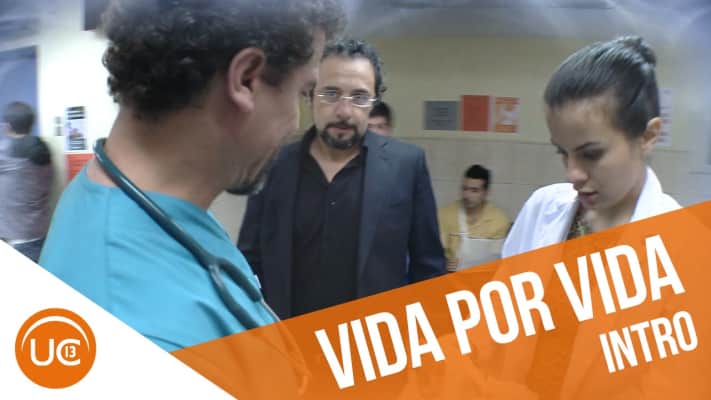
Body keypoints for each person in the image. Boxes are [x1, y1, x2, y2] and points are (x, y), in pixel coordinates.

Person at [39, 0, 344, 351]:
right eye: (303, 92)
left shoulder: (123, 196)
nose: (295, 123)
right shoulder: (150, 335)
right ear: (246, 79)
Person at [497, 36, 682, 399]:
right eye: (562, 153)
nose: (573, 174)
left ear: (647, 136)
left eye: (591, 154)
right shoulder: (541, 209)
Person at [238, 39, 446, 319]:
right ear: (310, 95)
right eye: (331, 93)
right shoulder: (274, 164)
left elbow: (429, 269)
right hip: (286, 337)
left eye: (359, 97)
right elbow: (248, 262)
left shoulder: (406, 166)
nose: (344, 112)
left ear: (374, 103)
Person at [0, 102, 53, 262]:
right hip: (39, 235)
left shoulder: (6, 153)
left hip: (15, 240)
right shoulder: (43, 150)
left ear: (8, 127)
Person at [438, 164, 510, 271]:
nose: (467, 195)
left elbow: (497, 260)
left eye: (474, 190)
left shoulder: (499, 220)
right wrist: (444, 263)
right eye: (464, 189)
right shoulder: (445, 214)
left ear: (486, 193)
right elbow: (434, 254)